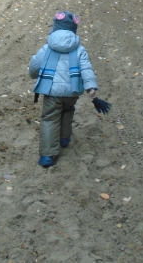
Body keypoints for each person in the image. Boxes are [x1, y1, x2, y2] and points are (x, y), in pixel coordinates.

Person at [29, 11, 98, 168]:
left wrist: (33, 75)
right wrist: (90, 87)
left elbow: (34, 66)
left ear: (55, 27)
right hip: (72, 91)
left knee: (49, 119)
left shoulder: (48, 47)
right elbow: (86, 68)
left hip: (52, 91)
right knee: (67, 111)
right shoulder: (79, 49)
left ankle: (47, 155)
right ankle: (64, 138)